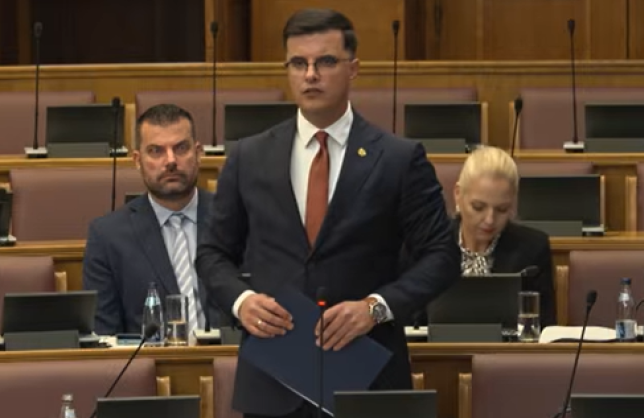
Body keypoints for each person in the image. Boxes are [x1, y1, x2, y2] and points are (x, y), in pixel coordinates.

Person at [195, 8, 459, 418]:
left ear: (353, 68)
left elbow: (442, 256)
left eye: (326, 61)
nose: (310, 75)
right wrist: (242, 301)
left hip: (367, 375)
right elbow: (212, 254)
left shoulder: (398, 159)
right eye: (298, 63)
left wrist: (375, 307)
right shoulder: (249, 156)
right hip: (274, 380)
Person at [83, 104, 226, 337]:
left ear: (198, 153)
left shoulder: (234, 218)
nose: (171, 161)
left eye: (181, 148)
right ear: (137, 160)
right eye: (156, 151)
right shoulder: (108, 236)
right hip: (151, 359)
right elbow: (104, 336)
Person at [452, 145, 556, 326]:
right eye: (478, 207)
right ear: (458, 195)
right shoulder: (426, 243)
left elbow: (544, 326)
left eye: (501, 209)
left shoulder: (532, 249)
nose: (490, 220)